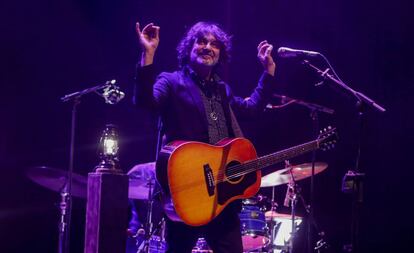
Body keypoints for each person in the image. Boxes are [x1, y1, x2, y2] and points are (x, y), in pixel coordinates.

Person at [133, 21, 276, 253]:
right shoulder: (171, 81)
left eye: (214, 44)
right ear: (189, 48)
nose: (208, 47)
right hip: (187, 190)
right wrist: (147, 54)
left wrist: (268, 72)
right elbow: (145, 103)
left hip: (221, 193)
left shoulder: (222, 89)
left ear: (221, 54)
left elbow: (251, 109)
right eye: (201, 41)